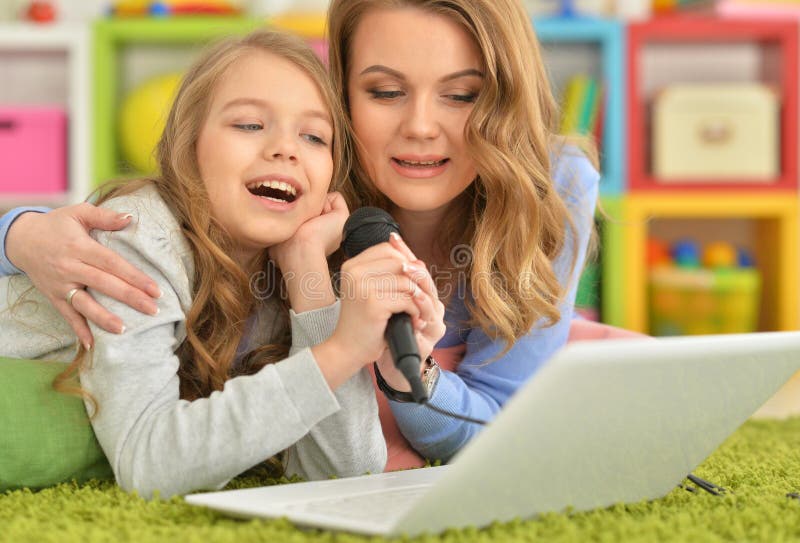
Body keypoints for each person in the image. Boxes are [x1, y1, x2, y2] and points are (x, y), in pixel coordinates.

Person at [1, 0, 599, 471]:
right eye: (384, 92)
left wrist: (396, 365)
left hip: (433, 386)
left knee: (601, 358)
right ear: (343, 97)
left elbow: (361, 457)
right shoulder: (295, 199)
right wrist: (17, 233)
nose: (419, 127)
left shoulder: (552, 186)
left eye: (462, 94)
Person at [0, 29, 442, 497]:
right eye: (250, 125)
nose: (285, 148)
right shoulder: (142, 236)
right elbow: (148, 463)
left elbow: (345, 470)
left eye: (314, 136)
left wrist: (307, 269)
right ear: (189, 146)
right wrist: (342, 350)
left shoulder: (284, 272)